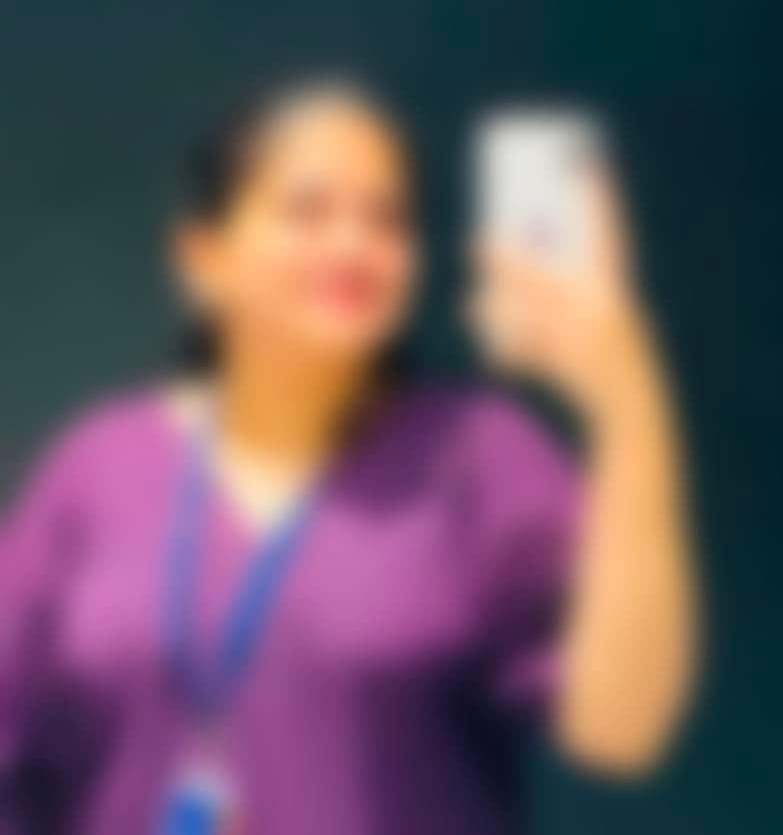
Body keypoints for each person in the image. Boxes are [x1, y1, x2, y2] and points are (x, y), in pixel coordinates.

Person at [0, 79, 695, 834]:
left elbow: (621, 733)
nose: (353, 245)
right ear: (204, 258)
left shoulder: (478, 455)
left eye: (386, 219)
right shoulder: (97, 469)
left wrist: (625, 397)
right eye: (309, 211)